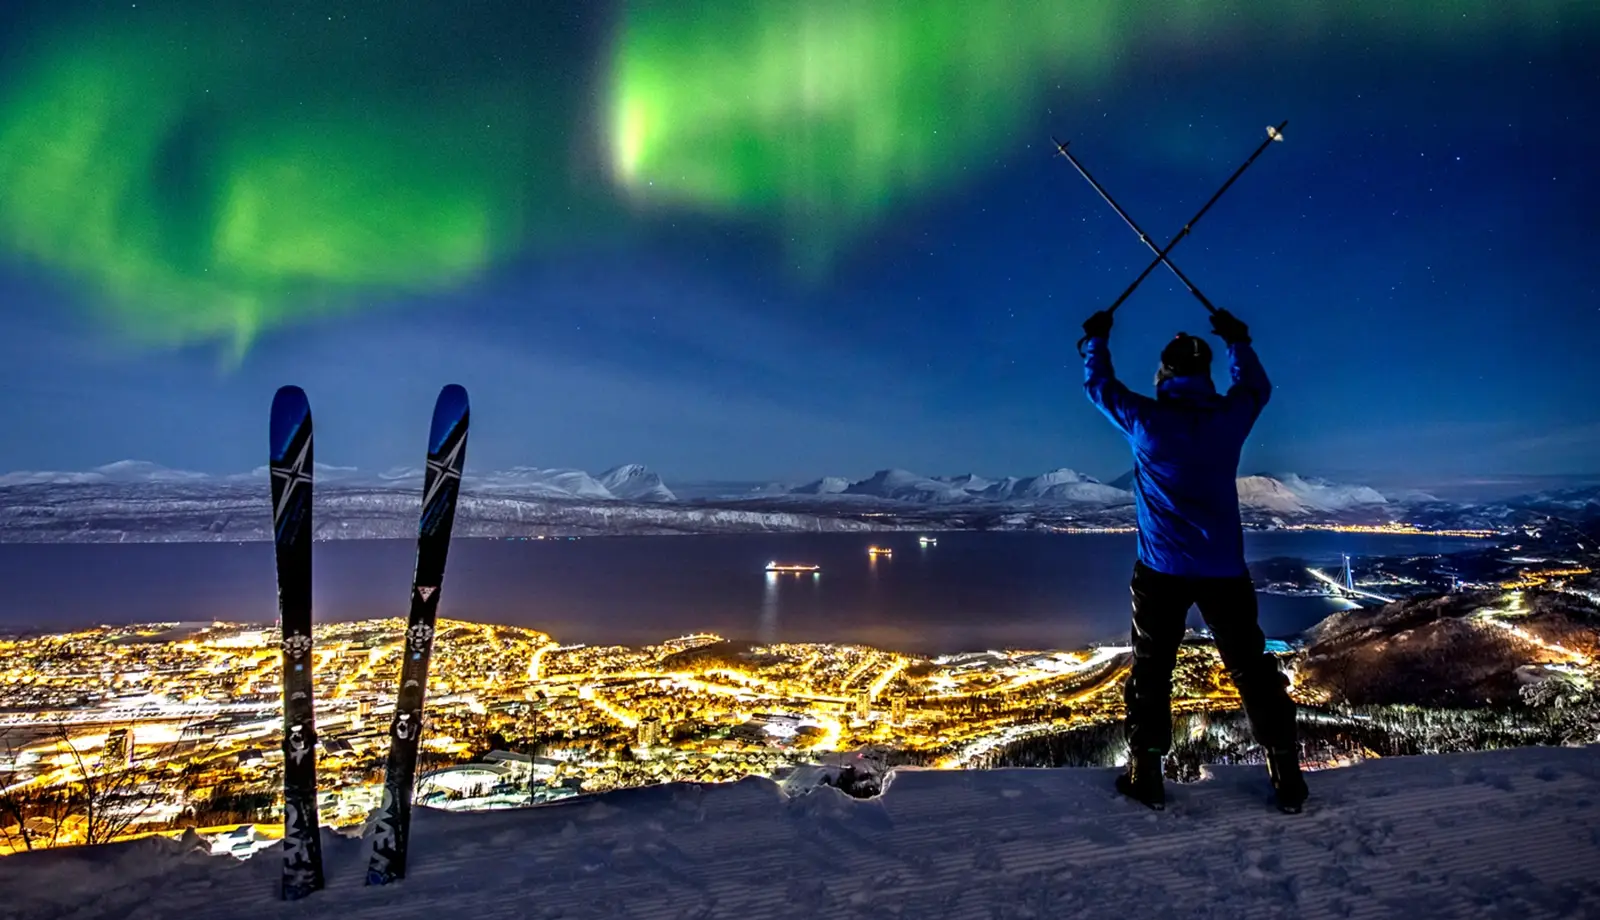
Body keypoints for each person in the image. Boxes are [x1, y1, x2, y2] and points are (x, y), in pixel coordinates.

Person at [1080, 307, 1308, 814]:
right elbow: (1256, 388)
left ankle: (1146, 774)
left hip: (1161, 570)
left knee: (1152, 669)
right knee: (1251, 668)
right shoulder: (1229, 420)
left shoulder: (1147, 421)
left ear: (1164, 373)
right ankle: (1287, 775)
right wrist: (1238, 341)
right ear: (1204, 374)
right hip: (1224, 570)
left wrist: (1096, 339)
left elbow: (1098, 387)